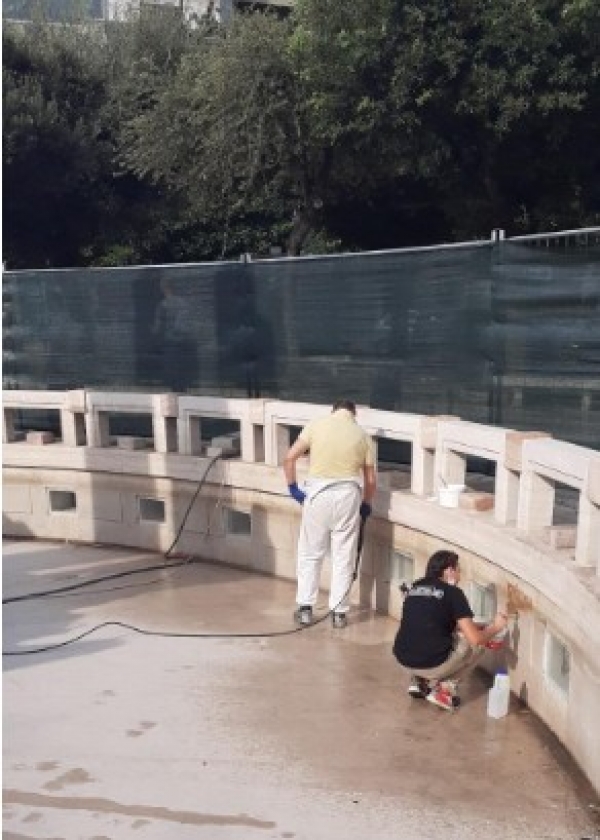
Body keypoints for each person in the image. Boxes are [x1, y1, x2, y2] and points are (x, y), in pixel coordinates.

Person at [283, 400, 377, 629]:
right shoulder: (363, 436)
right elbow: (371, 480)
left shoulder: (316, 425)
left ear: (333, 411)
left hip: (318, 495)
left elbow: (289, 457)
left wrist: (293, 488)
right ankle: (339, 614)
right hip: (348, 496)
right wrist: (365, 504)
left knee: (310, 553)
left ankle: (305, 609)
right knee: (344, 556)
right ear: (353, 414)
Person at [393, 550, 508, 710]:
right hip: (430, 664)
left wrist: (477, 627)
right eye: (458, 569)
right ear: (449, 571)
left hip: (403, 659)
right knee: (479, 644)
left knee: (425, 635)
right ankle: (444, 690)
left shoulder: (415, 586)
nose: (460, 574)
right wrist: (496, 627)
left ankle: (419, 682)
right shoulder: (453, 594)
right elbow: (475, 639)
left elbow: (433, 620)